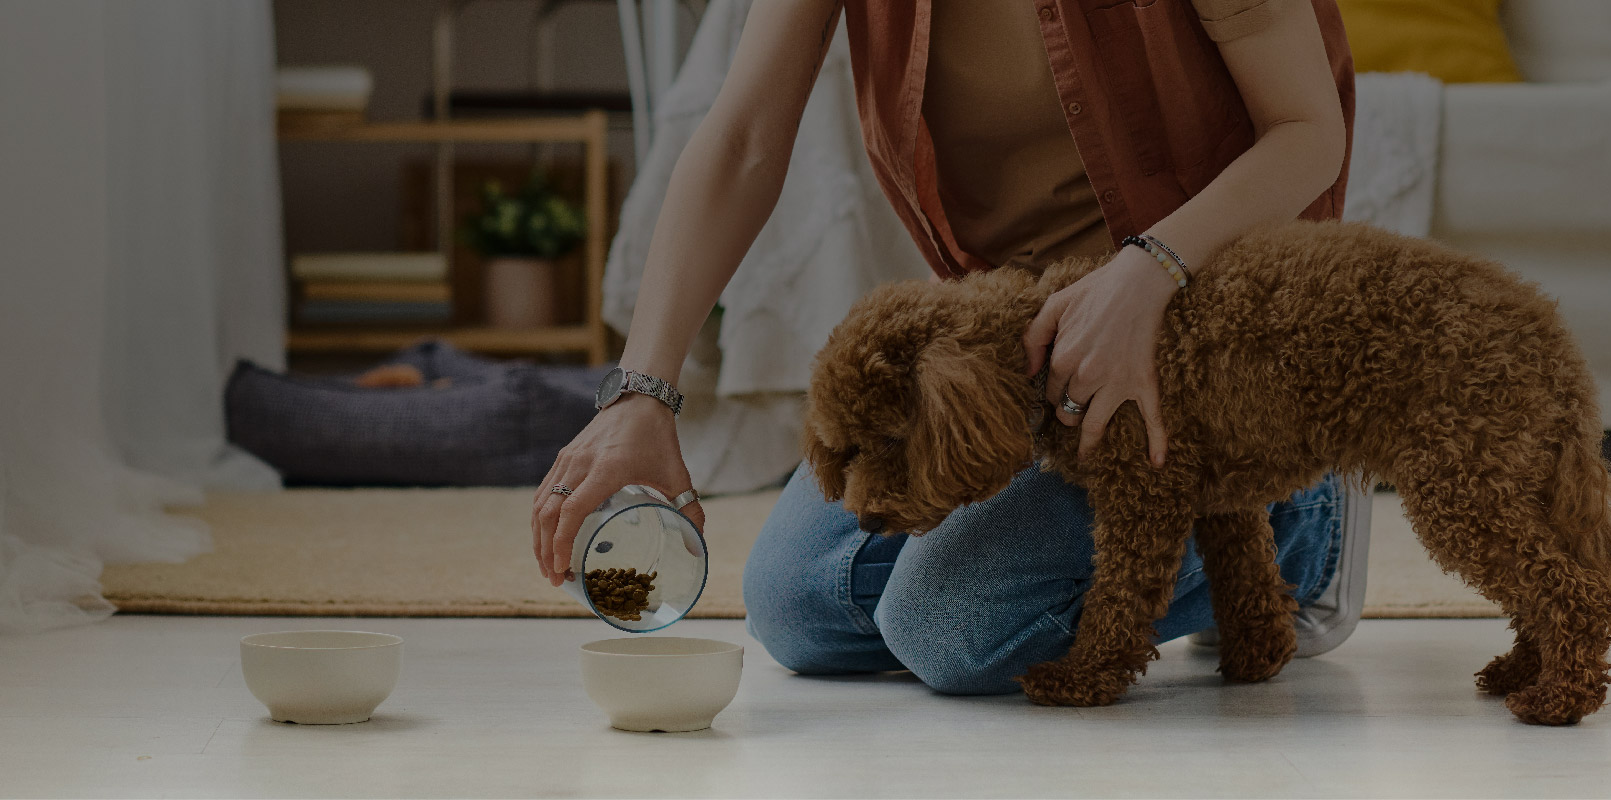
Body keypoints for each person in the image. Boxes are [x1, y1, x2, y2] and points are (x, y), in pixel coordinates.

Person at [533, 0, 1370, 696]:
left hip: (1208, 337)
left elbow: (1306, 130)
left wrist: (1148, 273)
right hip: (1024, 355)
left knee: (948, 630)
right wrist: (642, 392)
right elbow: (746, 135)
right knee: (792, 605)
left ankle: (1303, 524)